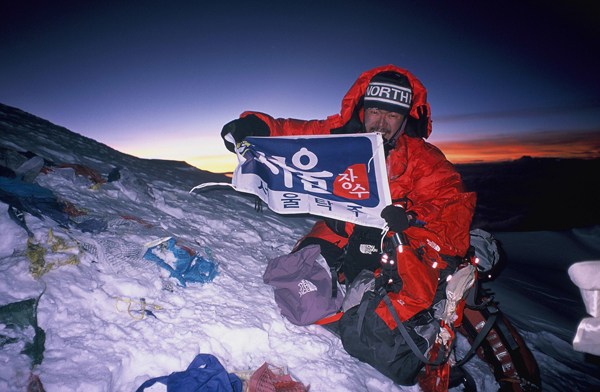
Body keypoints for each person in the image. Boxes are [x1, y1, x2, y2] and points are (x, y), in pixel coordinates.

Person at [221, 65, 476, 322]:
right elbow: (294, 134)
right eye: (375, 111)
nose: (381, 124)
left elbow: (450, 201)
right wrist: (254, 128)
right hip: (336, 231)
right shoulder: (338, 137)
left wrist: (410, 217)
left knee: (384, 310)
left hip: (388, 245)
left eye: (392, 116)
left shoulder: (423, 158)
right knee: (305, 298)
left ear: (405, 119)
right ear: (363, 110)